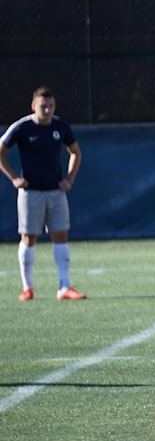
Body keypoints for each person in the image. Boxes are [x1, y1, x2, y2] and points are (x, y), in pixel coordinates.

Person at [0, 87, 86, 301]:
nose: (47, 109)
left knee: (61, 235)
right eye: (43, 105)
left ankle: (64, 287)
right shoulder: (22, 127)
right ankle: (27, 287)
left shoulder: (60, 126)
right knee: (29, 238)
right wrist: (14, 178)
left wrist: (69, 178)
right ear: (34, 106)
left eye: (50, 105)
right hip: (31, 193)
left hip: (56, 191)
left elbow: (75, 152)